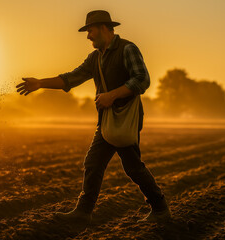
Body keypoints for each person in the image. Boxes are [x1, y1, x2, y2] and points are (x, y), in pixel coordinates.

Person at [16, 10, 171, 224]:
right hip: (106, 120)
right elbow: (71, 78)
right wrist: (40, 83)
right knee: (93, 163)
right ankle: (83, 212)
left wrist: (112, 95)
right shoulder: (95, 58)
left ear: (104, 28)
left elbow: (142, 80)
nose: (88, 36)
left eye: (90, 30)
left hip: (126, 118)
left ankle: (161, 209)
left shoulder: (128, 49)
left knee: (133, 167)